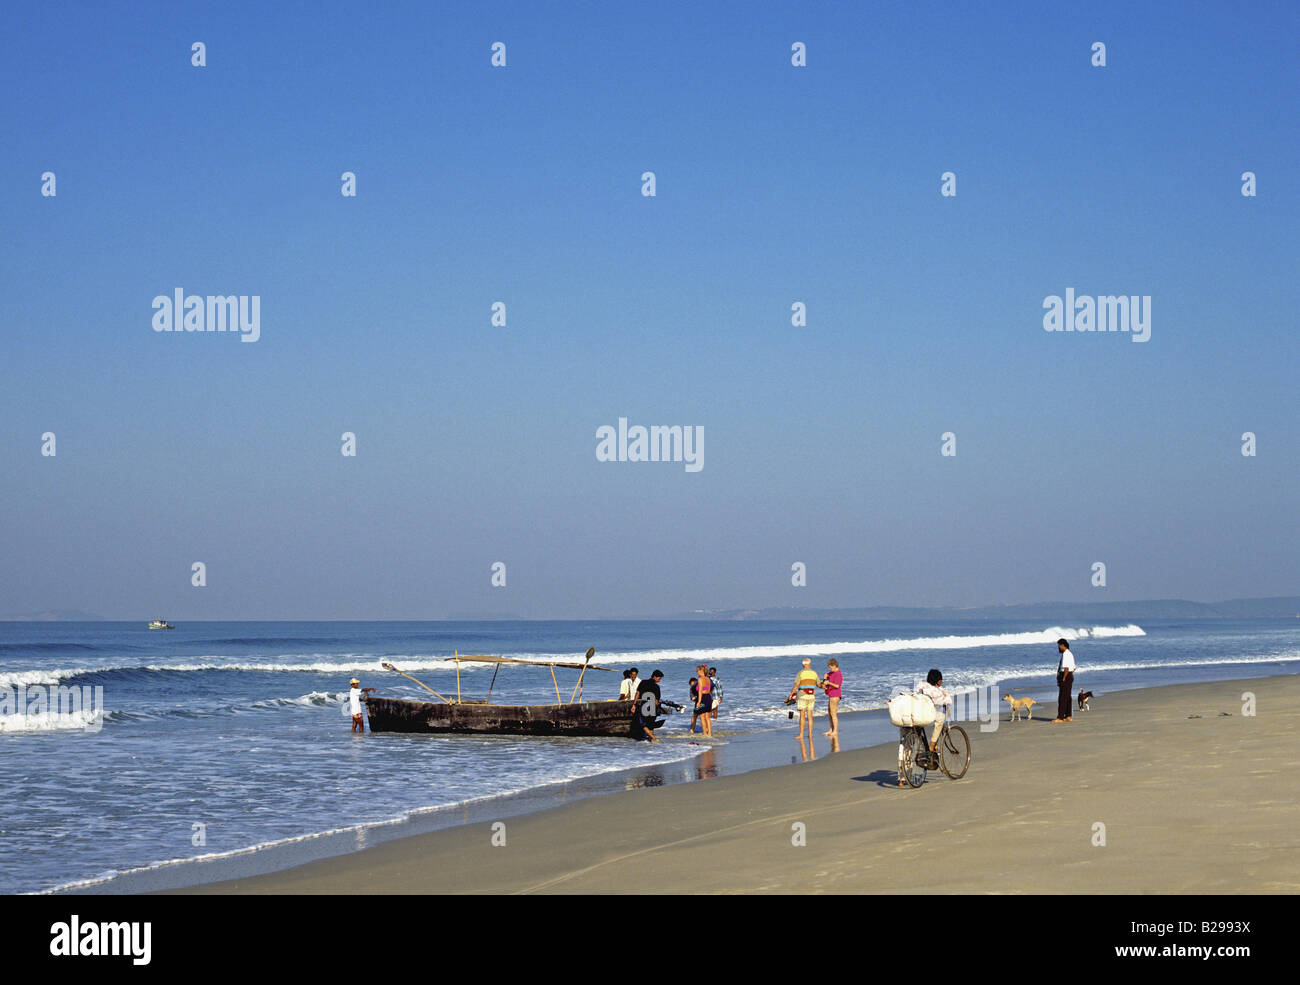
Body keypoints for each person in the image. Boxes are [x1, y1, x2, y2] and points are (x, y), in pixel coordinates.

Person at [897, 669, 951, 785]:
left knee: (906, 748)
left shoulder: (920, 686)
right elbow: (946, 701)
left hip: (909, 716)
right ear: (939, 681)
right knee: (940, 719)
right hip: (923, 717)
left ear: (927, 679)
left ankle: (901, 779)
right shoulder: (938, 690)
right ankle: (932, 745)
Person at [787, 658, 820, 751]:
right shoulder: (814, 673)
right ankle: (810, 734)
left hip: (802, 695)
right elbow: (819, 684)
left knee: (802, 715)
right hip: (811, 695)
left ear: (803, 665)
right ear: (810, 664)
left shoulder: (800, 673)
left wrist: (791, 694)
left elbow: (796, 685)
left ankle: (801, 734)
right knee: (810, 716)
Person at [632, 670, 666, 742]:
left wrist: (634, 705)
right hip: (652, 706)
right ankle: (651, 740)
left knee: (642, 724)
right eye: (659, 678)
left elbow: (637, 693)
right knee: (651, 725)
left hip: (644, 705)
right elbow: (657, 702)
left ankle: (653, 739)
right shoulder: (657, 687)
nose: (659, 680)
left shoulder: (643, 682)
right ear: (654, 677)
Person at [1051, 639, 1075, 724]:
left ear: (1063, 645)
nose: (1058, 648)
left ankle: (1060, 717)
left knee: (1062, 697)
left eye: (1059, 646)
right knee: (1067, 697)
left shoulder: (1066, 654)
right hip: (1069, 676)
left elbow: (1066, 668)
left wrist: (1064, 678)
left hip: (1065, 676)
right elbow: (1074, 668)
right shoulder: (1070, 653)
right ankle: (1068, 716)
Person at [821, 658, 842, 737]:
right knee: (830, 713)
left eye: (831, 667)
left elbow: (837, 685)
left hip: (836, 694)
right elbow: (825, 681)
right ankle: (831, 729)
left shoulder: (838, 674)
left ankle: (835, 731)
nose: (830, 669)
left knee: (833, 713)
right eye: (829, 667)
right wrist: (825, 678)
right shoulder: (831, 673)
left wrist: (829, 682)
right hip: (830, 694)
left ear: (835, 665)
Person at [694, 664, 713, 737]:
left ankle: (705, 733)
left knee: (702, 716)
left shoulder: (700, 679)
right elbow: (708, 689)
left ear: (701, 671)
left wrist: (699, 702)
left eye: (697, 671)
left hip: (703, 698)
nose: (697, 672)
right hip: (709, 697)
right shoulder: (708, 678)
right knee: (708, 717)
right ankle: (710, 733)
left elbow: (700, 691)